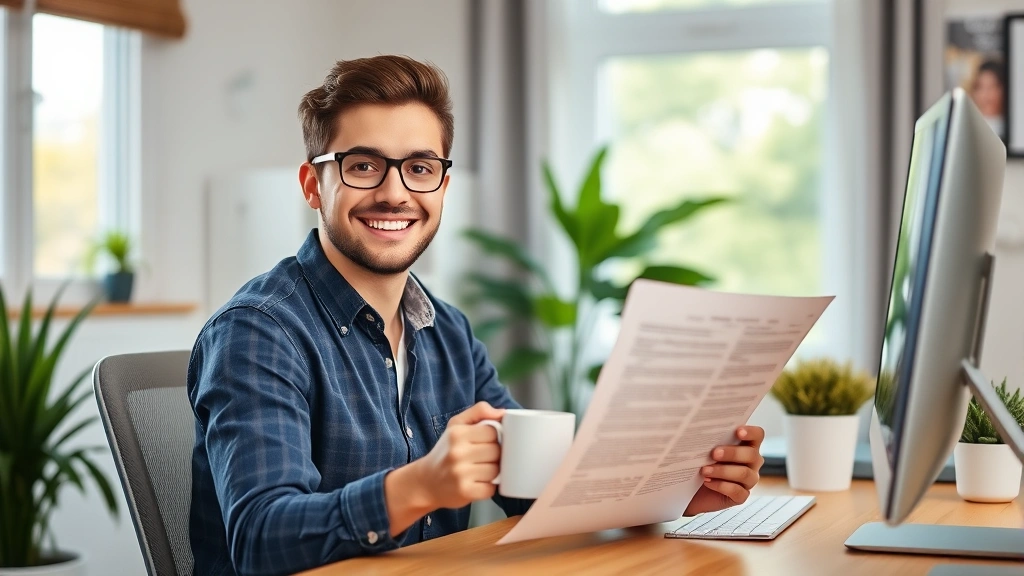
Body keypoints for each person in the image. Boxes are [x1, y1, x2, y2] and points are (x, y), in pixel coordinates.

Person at [186, 54, 766, 576]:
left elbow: (538, 486)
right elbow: (259, 539)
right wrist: (418, 487)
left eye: (419, 167)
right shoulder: (257, 332)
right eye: (364, 166)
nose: (395, 193)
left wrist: (674, 494)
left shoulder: (449, 332)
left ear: (442, 184)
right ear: (314, 184)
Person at [970, 59, 1005, 137]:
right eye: (980, 87)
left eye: (992, 87)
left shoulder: (1014, 125)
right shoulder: (967, 125)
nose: (985, 95)